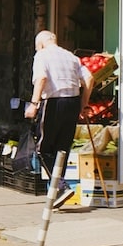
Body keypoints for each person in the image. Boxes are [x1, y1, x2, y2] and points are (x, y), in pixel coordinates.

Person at [24, 30, 94, 209]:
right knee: (62, 150)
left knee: (43, 148)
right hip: (72, 103)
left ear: (40, 44)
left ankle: (60, 187)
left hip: (53, 103)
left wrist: (33, 104)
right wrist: (83, 104)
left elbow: (42, 78)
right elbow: (90, 78)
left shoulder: (42, 55)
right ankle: (56, 191)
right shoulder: (70, 56)